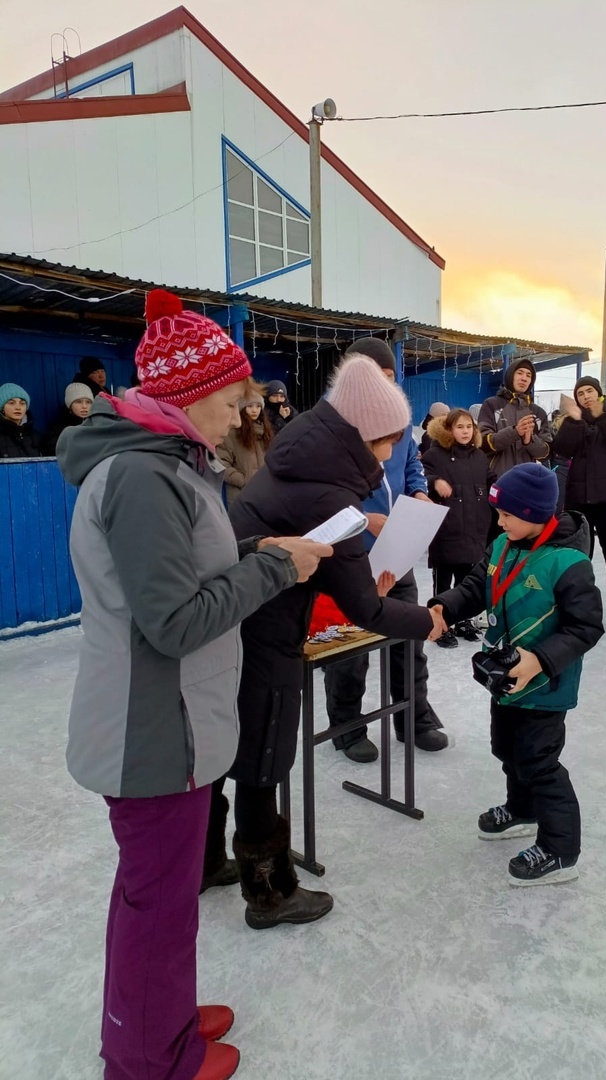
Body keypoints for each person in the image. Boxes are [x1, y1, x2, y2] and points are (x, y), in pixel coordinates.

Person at [56, 287, 331, 1080]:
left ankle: (161, 1022)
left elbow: (187, 582)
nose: (244, 414)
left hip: (171, 720)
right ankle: (150, 1059)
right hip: (154, 731)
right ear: (187, 395)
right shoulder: (145, 478)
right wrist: (276, 567)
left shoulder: (170, 465)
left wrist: (256, 556)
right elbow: (174, 623)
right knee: (156, 910)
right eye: (234, 399)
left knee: (161, 902)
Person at [224, 352, 445, 928]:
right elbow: (368, 608)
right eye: (383, 443)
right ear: (361, 435)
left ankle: (205, 861)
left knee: (234, 747)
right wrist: (427, 621)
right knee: (262, 759)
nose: (389, 455)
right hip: (267, 630)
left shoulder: (301, 455)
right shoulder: (329, 493)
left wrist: (360, 524)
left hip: (235, 621)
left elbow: (309, 522)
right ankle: (268, 891)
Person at [429, 463, 604, 886]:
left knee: (539, 762)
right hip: (506, 679)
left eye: (508, 514)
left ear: (536, 513)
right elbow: (474, 587)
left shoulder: (568, 562)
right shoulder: (502, 546)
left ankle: (560, 851)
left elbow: (587, 626)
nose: (500, 521)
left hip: (545, 685)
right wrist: (444, 608)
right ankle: (522, 810)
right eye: (499, 514)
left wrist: (540, 660)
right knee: (507, 749)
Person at [323, 337, 449, 763]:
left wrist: (419, 490)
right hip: (353, 553)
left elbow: (412, 460)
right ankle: (346, 724)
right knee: (352, 647)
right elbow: (320, 492)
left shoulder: (398, 419)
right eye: (377, 376)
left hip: (397, 547)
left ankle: (414, 716)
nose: (385, 385)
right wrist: (362, 518)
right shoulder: (335, 426)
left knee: (410, 634)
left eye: (391, 376)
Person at [553, 376, 606, 633]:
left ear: (599, 393)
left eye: (590, 391)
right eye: (580, 393)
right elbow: (562, 450)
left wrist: (602, 415)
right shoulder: (573, 421)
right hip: (579, 501)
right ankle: (576, 611)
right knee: (576, 561)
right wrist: (575, 420)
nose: (585, 396)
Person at [421, 407, 495, 647]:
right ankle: (440, 625)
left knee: (467, 580)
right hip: (447, 528)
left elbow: (491, 480)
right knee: (443, 580)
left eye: (469, 426)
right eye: (459, 427)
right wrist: (435, 482)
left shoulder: (479, 456)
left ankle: (463, 621)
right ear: (449, 430)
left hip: (474, 526)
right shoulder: (435, 455)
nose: (465, 431)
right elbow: (422, 476)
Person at [477, 358, 552, 477]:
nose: (524, 378)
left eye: (529, 375)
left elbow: (546, 453)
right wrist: (515, 432)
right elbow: (482, 442)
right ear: (510, 375)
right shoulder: (492, 405)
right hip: (497, 479)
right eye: (520, 372)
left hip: (528, 480)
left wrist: (529, 441)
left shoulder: (539, 413)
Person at [217, 385, 274, 506]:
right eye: (250, 406)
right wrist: (243, 480)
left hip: (265, 493)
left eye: (258, 406)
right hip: (240, 496)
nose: (255, 410)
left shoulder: (266, 432)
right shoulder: (232, 433)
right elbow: (221, 463)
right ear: (242, 408)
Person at [43, 383, 94, 454]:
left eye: (88, 402)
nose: (84, 406)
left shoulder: (97, 424)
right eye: (78, 402)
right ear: (70, 405)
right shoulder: (58, 429)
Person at [0, 382, 42, 458]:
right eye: (11, 403)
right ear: (2, 408)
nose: (18, 407)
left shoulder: (36, 436)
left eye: (22, 403)